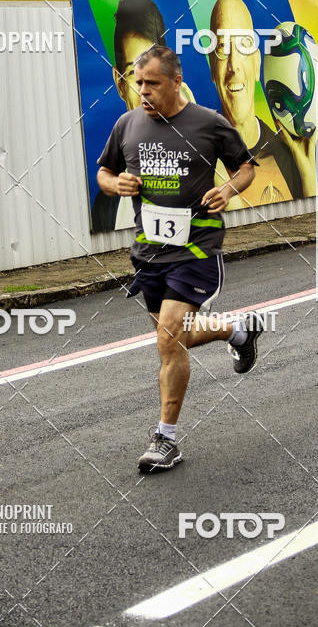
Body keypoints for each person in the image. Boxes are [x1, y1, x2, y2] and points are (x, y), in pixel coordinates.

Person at [96, 44, 263, 473]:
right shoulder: (127, 124)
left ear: (176, 81)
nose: (143, 91)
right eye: (138, 83)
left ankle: (165, 439)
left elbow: (246, 167)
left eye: (152, 83)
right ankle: (238, 330)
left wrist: (227, 189)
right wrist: (116, 185)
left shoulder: (209, 123)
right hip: (149, 254)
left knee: (169, 338)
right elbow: (104, 172)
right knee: (174, 338)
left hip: (197, 250)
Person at [92, 0, 194, 231]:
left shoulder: (198, 162)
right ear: (119, 83)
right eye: (134, 73)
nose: (146, 89)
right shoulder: (107, 207)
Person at [208, 0, 303, 207]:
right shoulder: (201, 162)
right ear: (212, 66)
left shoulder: (288, 155)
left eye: (244, 46)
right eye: (223, 48)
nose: (233, 66)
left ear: (257, 62)